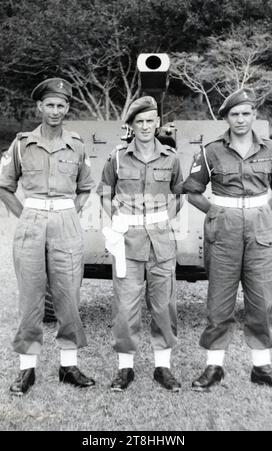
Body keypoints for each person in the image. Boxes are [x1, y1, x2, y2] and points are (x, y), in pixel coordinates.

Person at [177, 88, 272, 391]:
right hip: (223, 234)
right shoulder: (211, 152)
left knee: (261, 300)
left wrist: (265, 210)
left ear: (254, 115)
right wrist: (216, 212)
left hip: (259, 234)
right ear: (225, 117)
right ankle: (214, 367)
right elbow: (193, 190)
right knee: (219, 302)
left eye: (246, 113)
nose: (240, 119)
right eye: (234, 114)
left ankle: (261, 366)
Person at [0, 78, 96, 396]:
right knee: (30, 298)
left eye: (61, 105)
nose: (55, 110)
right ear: (40, 107)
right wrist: (27, 214)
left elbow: (85, 186)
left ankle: (69, 365)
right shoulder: (22, 144)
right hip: (32, 221)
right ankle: (27, 370)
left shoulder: (77, 144)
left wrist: (69, 214)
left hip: (66, 221)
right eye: (50, 104)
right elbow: (3, 186)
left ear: (67, 108)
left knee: (68, 297)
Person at [97, 96, 183, 392]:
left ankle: (163, 367)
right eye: (139, 122)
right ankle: (125, 369)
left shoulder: (171, 157)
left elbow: (179, 196)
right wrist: (118, 221)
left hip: (160, 244)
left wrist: (163, 221)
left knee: (164, 306)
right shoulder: (117, 156)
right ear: (131, 126)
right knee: (125, 307)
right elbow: (105, 194)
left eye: (150, 120)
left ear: (158, 122)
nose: (145, 126)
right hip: (128, 244)